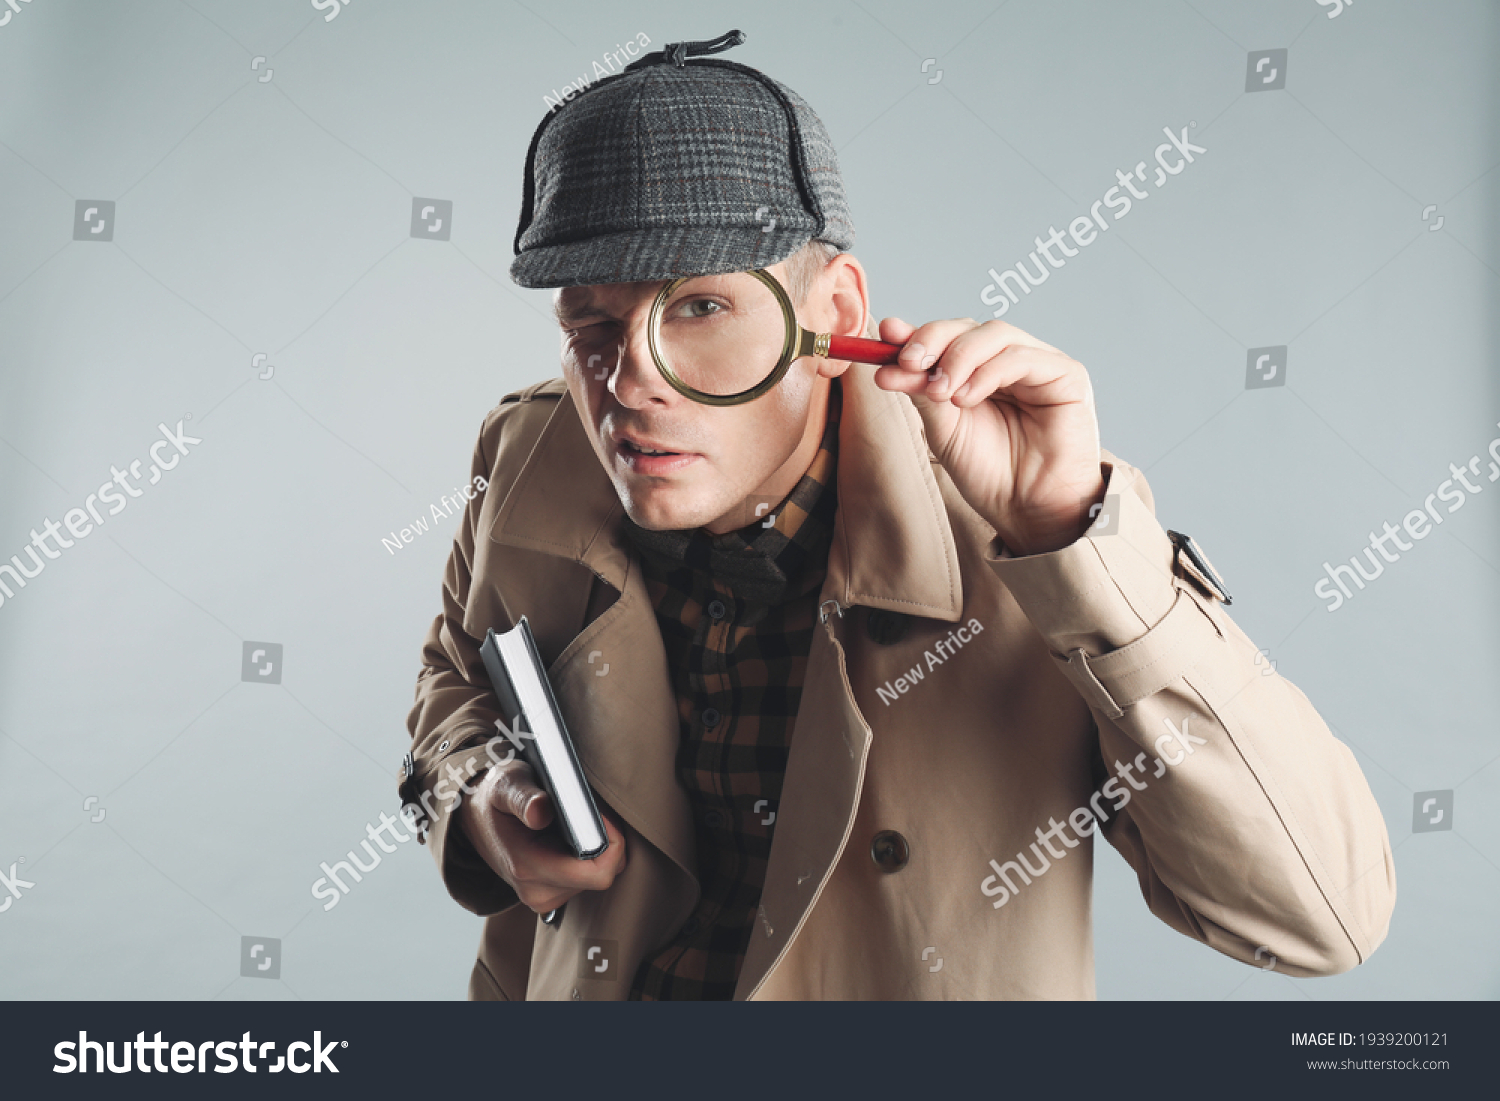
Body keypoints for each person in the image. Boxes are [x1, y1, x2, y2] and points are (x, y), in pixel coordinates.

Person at [399, 31, 1395, 1000]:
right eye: (591, 325)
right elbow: (461, 673)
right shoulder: (531, 452)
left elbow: (1323, 918)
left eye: (698, 308)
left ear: (831, 315)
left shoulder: (1029, 528)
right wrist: (480, 796)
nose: (632, 385)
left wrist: (1074, 546)